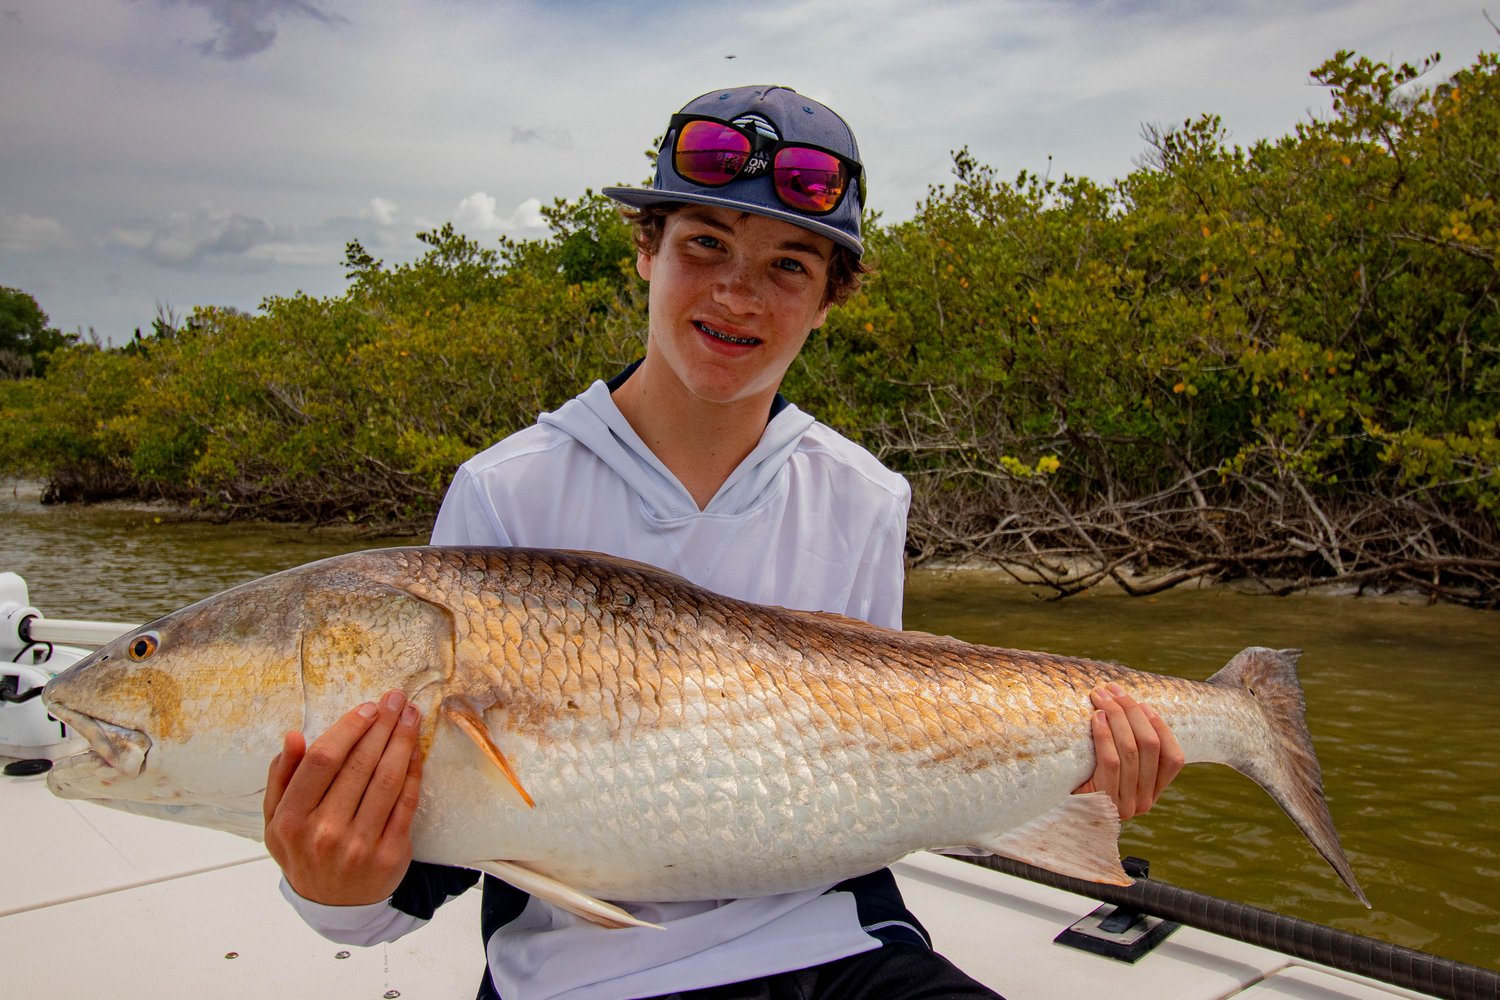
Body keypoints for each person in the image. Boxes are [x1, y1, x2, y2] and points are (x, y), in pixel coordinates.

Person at [262, 85, 1185, 1000]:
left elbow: (892, 749)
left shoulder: (863, 494)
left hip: (838, 944)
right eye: (705, 243)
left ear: (828, 301)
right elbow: (440, 828)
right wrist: (335, 892)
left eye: (791, 265)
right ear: (644, 252)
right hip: (577, 972)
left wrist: (1070, 785)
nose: (739, 292)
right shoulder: (505, 490)